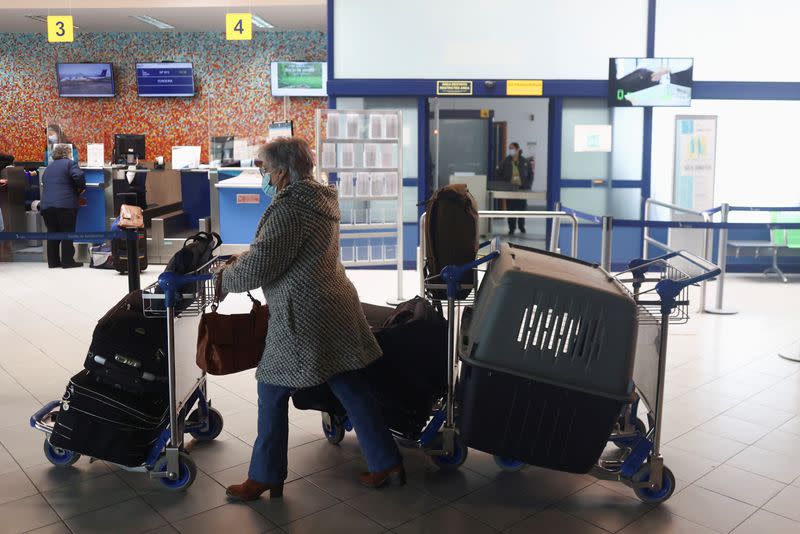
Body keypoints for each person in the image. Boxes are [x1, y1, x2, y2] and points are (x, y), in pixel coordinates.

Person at [216, 137, 403, 502]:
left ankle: (265, 476)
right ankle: (386, 462)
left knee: (271, 390)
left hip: (303, 316)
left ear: (283, 172)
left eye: (264, 169)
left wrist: (226, 277)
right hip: (334, 305)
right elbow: (283, 253)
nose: (263, 176)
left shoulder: (290, 210)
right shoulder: (319, 199)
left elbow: (260, 266)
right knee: (350, 385)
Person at [40, 143, 85, 268]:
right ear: (67, 154)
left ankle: (53, 262)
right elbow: (79, 175)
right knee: (67, 232)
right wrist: (80, 188)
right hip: (65, 205)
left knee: (53, 233)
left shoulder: (48, 167)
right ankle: (67, 261)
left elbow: (44, 181)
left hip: (47, 206)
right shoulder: (69, 163)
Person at [496, 142, 533, 234]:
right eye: (509, 148)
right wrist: (504, 184)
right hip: (510, 189)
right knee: (510, 209)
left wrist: (527, 185)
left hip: (522, 189)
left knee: (522, 209)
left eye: (512, 148)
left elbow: (530, 174)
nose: (510, 150)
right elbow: (498, 173)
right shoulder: (505, 161)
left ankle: (521, 227)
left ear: (517, 149)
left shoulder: (525, 162)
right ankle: (511, 228)